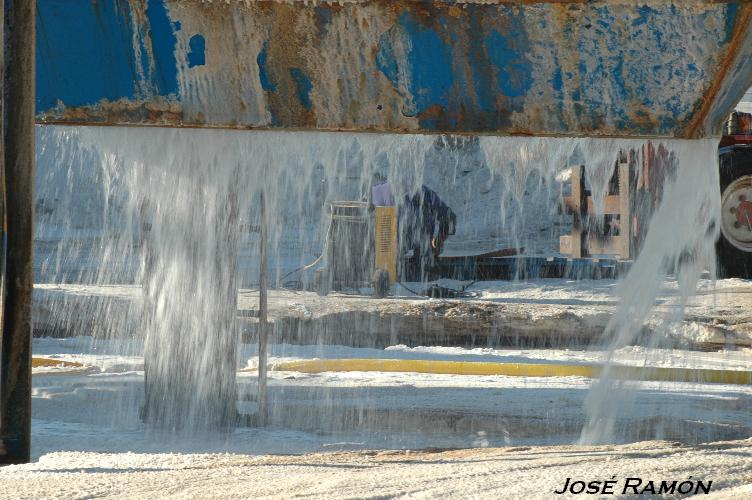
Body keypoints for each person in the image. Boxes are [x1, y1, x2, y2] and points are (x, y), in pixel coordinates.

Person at [398, 184, 456, 280]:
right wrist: (438, 242)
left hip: (404, 229)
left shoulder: (426, 196)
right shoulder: (430, 198)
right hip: (410, 229)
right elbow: (449, 218)